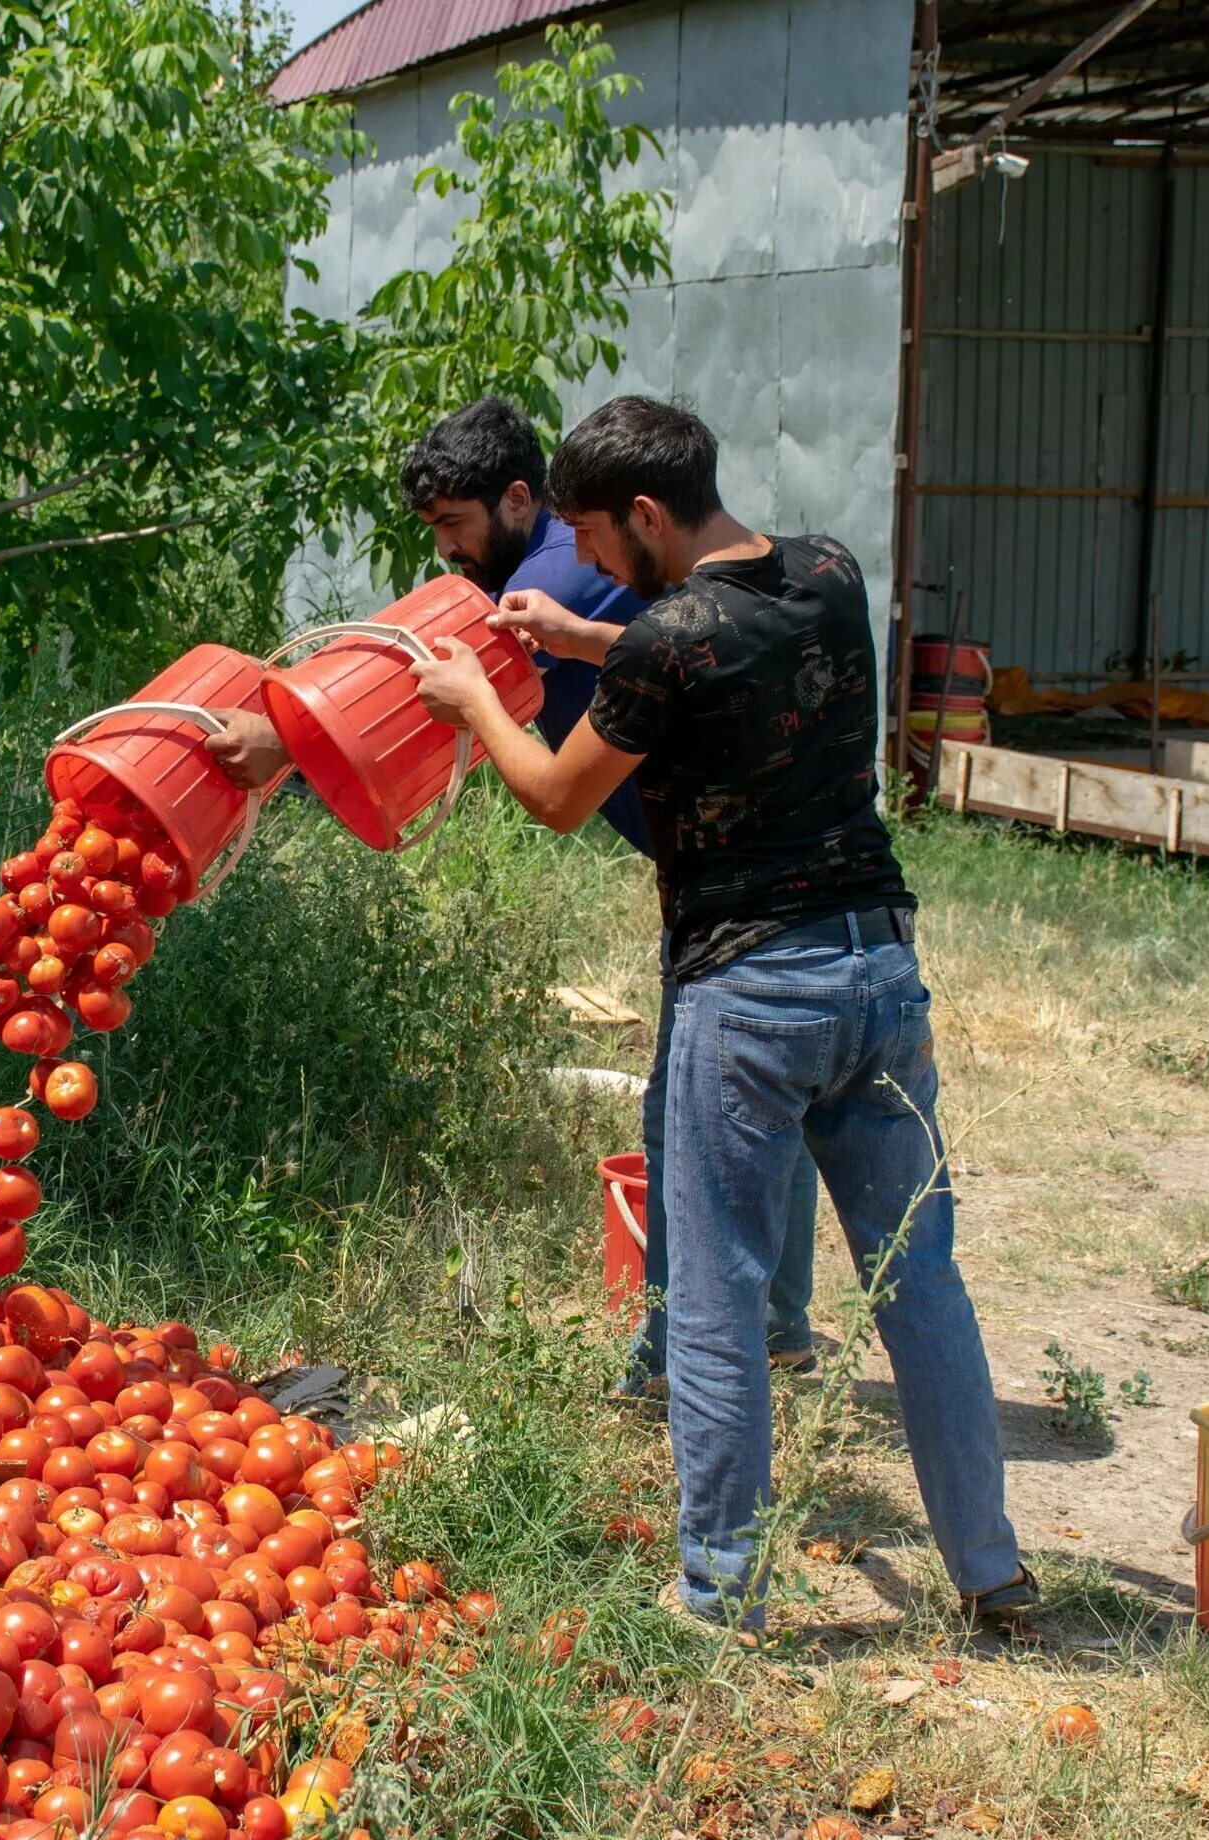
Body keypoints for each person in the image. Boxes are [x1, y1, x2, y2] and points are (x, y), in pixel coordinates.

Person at [408, 395, 1031, 1630]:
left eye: (592, 538)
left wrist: (476, 700)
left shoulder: (661, 645)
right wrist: (578, 643)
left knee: (717, 1298)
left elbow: (554, 796)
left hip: (751, 996)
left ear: (645, 516)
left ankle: (719, 1596)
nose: (581, 565)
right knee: (923, 1285)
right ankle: (994, 1572)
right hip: (879, 979)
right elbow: (711, 656)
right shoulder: (828, 572)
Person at [207, 396, 822, 1394]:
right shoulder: (556, 574)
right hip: (727, 864)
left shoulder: (558, 566)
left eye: (455, 527)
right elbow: (421, 650)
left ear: (523, 501)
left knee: (697, 1117)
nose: (447, 554)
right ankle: (780, 1326)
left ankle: (673, 1366)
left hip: (734, 883)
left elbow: (452, 702)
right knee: (770, 1103)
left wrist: (279, 744)